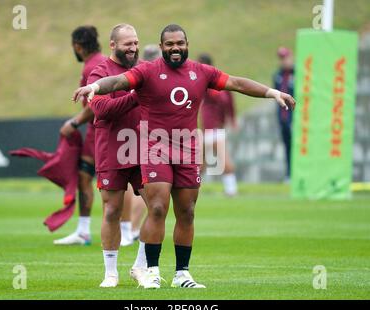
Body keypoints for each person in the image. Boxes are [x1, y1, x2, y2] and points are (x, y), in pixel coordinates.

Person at [73, 24, 295, 289]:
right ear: (162, 46)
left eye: (179, 43)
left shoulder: (201, 72)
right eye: (169, 44)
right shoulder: (148, 70)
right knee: (156, 207)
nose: (175, 48)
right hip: (153, 148)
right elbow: (119, 81)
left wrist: (273, 93)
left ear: (187, 44)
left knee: (187, 212)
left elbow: (235, 83)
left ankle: (182, 274)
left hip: (187, 149)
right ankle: (151, 271)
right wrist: (96, 86)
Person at [86, 24, 147, 288]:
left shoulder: (143, 69)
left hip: (143, 148)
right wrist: (135, 97)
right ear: (112, 45)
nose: (133, 48)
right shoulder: (99, 72)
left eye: (135, 43)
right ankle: (111, 272)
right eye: (127, 44)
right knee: (111, 210)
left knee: (157, 206)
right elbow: (102, 110)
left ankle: (142, 267)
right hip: (112, 149)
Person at [54, 26, 107, 246]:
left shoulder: (92, 67)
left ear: (77, 46)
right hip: (101, 130)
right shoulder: (101, 61)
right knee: (94, 178)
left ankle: (88, 231)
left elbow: (95, 106)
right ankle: (124, 230)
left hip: (99, 131)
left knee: (92, 179)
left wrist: (73, 123)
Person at [130, 44, 162, 241]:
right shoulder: (152, 77)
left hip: (131, 136)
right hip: (148, 138)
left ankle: (130, 229)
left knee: (139, 188)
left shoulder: (137, 74)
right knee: (149, 190)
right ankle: (133, 230)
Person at [198, 53, 238, 196]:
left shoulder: (214, 82)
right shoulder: (204, 83)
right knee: (200, 163)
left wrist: (232, 120)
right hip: (206, 129)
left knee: (222, 161)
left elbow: (228, 102)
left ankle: (231, 190)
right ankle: (192, 189)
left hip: (215, 129)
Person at [273, 47, 294, 181]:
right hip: (283, 117)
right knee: (287, 146)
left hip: (296, 117)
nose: (284, 61)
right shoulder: (277, 75)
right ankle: (289, 174)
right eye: (281, 58)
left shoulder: (299, 73)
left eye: (285, 57)